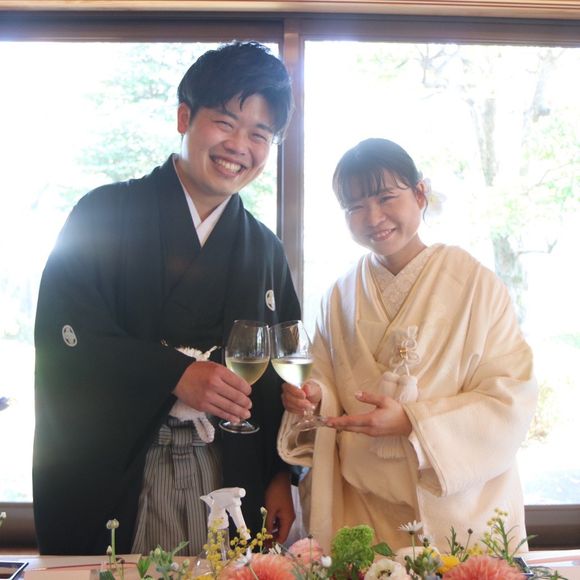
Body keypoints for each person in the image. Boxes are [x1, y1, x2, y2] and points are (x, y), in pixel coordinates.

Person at [33, 41, 301, 556]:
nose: (239, 146)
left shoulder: (263, 247)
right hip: (124, 474)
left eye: (259, 135)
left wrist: (280, 474)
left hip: (228, 474)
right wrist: (175, 373)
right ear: (184, 117)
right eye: (224, 123)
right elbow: (68, 337)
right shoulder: (102, 214)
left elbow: (274, 376)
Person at [277, 138, 538, 553]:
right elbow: (323, 374)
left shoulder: (476, 284)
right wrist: (314, 395)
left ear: (420, 194)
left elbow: (511, 395)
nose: (373, 217)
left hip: (456, 511)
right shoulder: (339, 295)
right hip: (363, 511)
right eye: (355, 206)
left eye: (386, 198)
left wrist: (413, 422)